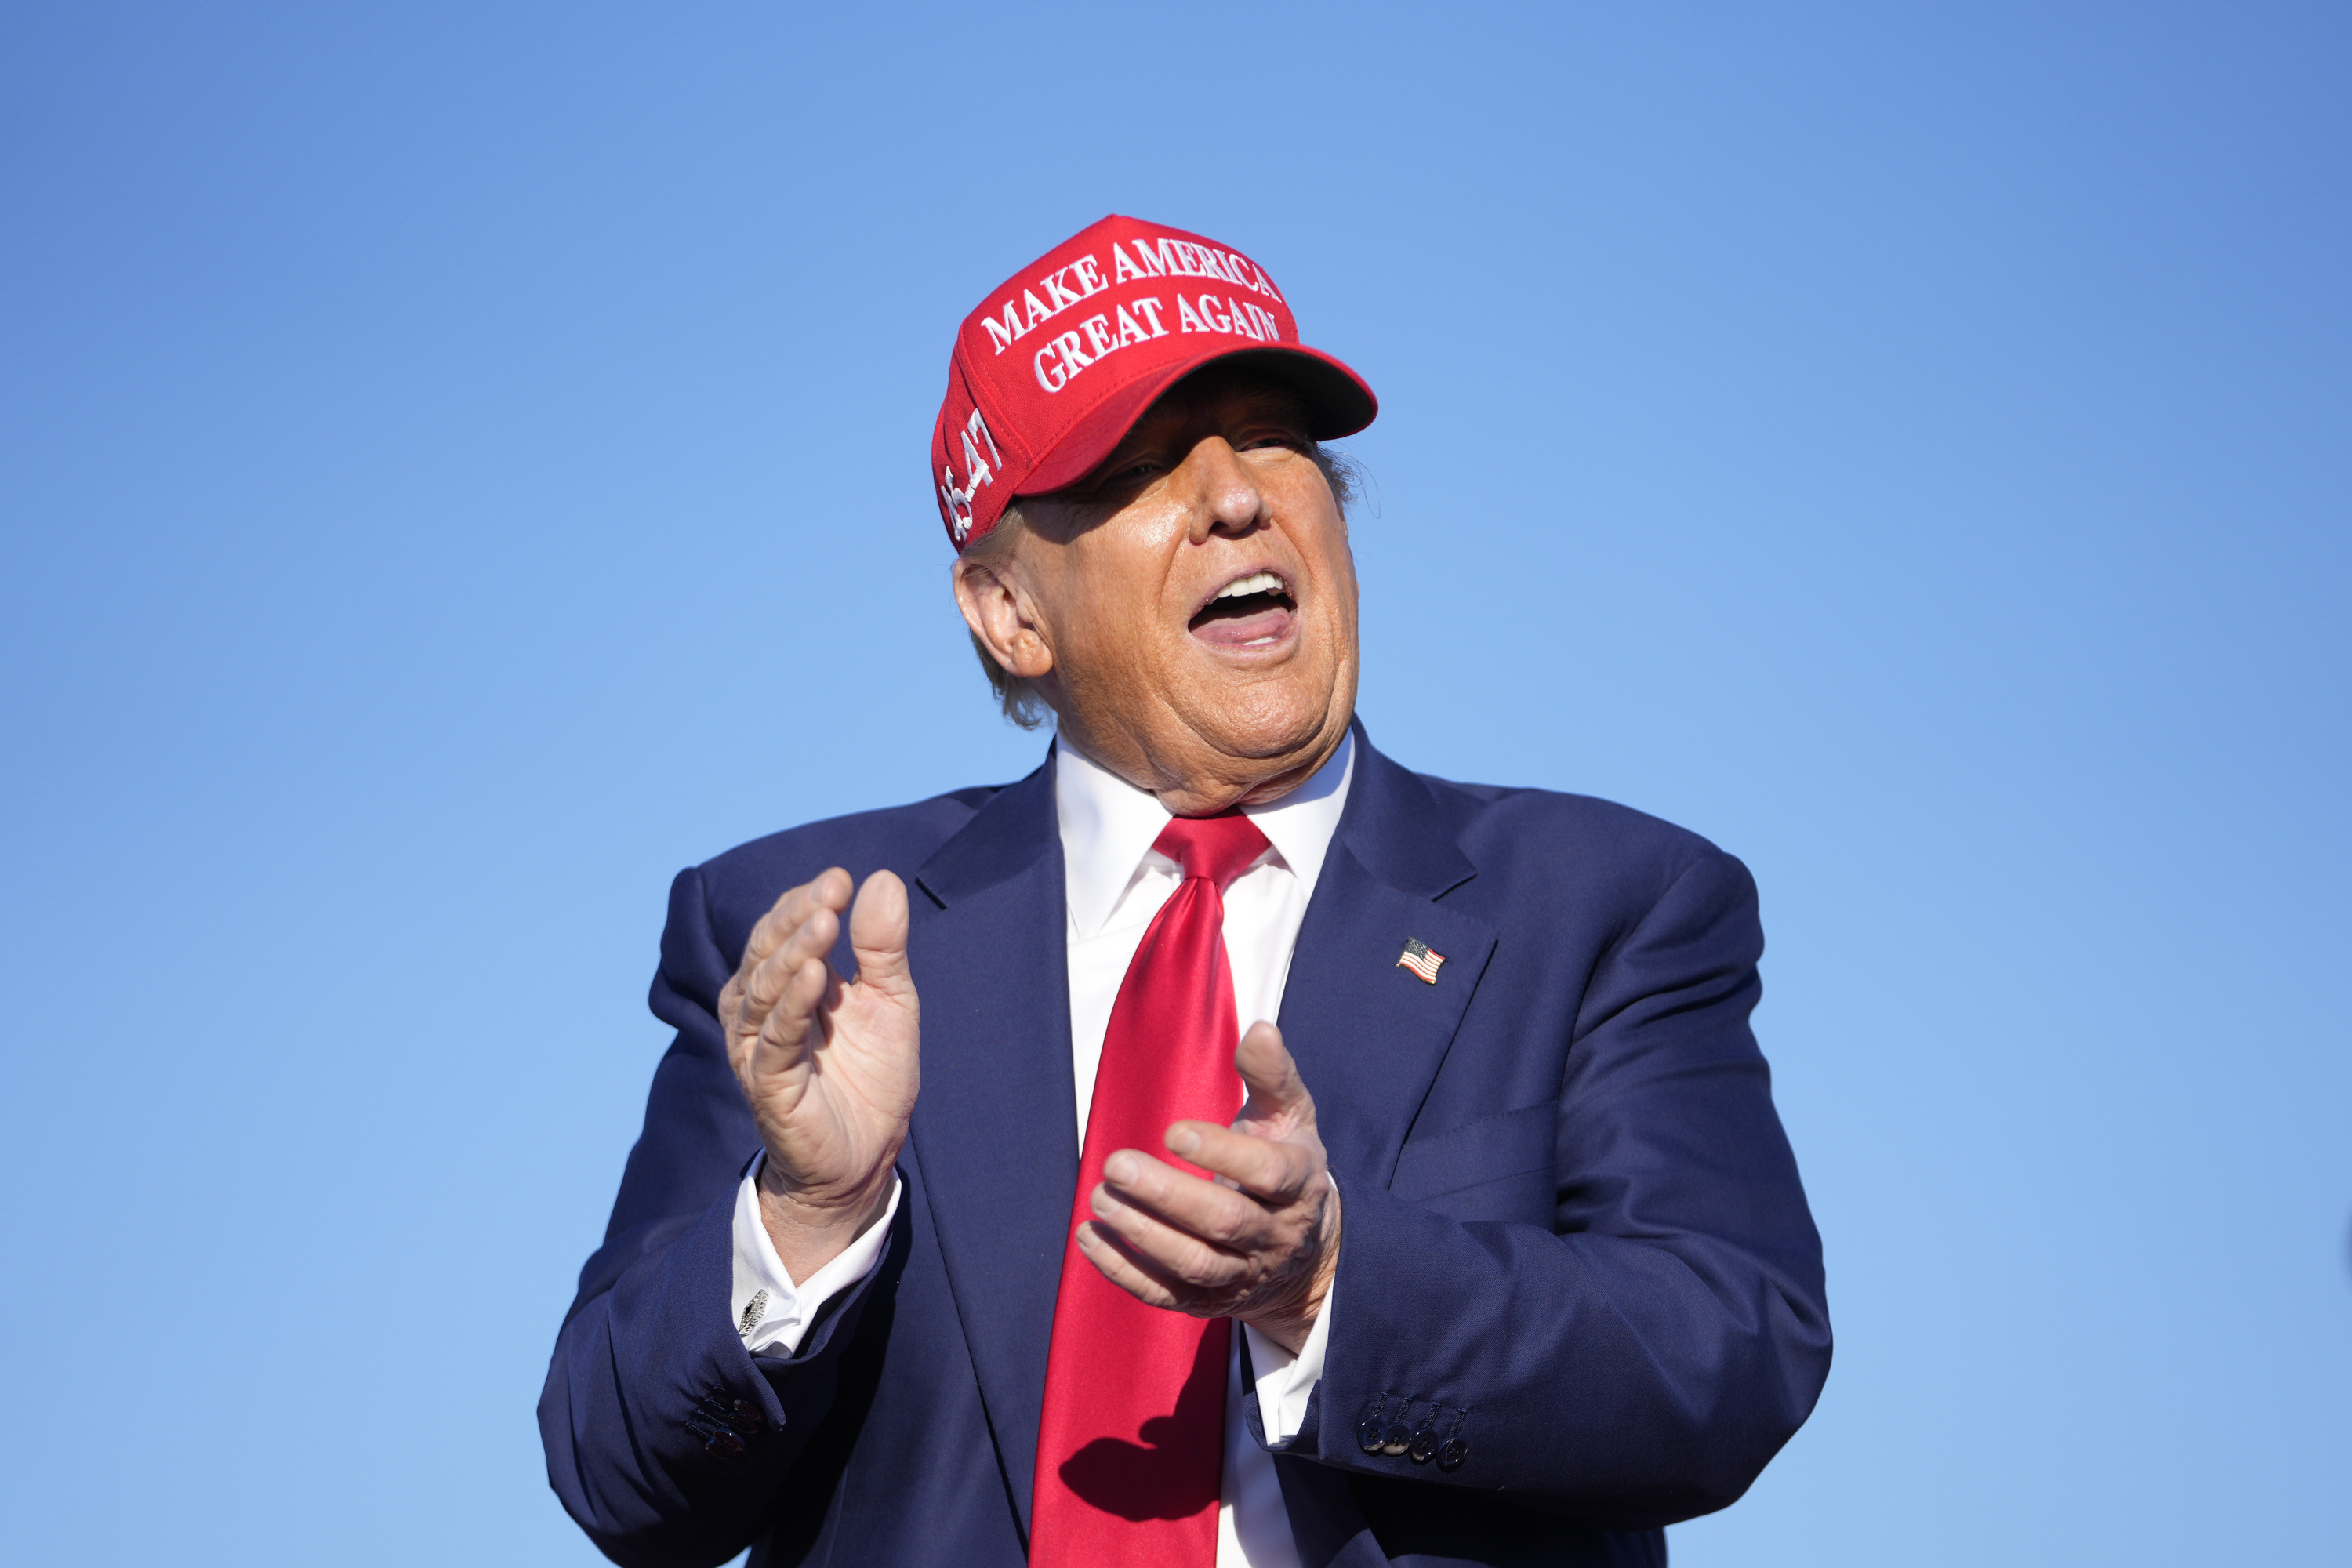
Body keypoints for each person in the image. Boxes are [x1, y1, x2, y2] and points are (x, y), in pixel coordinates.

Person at [539, 215, 1831, 1568]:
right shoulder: (808, 942)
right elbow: (623, 1481)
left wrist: (1334, 1279)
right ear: (1010, 614)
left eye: (1275, 440)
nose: (1234, 497)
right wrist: (809, 1216)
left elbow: (1730, 1359)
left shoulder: (1605, 902)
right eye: (1144, 464)